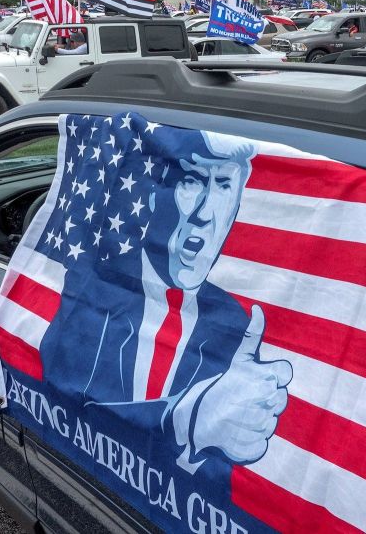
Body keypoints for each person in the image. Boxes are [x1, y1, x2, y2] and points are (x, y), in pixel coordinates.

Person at [45, 129, 291, 473]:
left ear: (239, 197)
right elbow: (61, 399)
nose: (206, 213)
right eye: (190, 181)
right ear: (151, 192)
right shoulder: (93, 284)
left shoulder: (239, 328)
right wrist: (180, 420)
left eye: (223, 185)